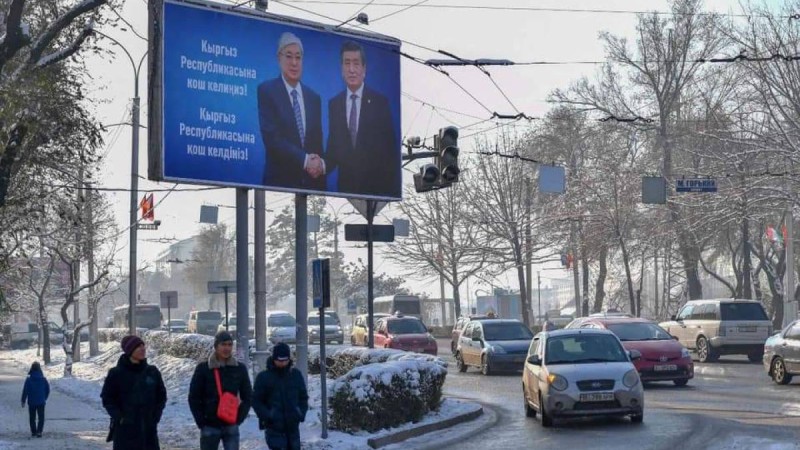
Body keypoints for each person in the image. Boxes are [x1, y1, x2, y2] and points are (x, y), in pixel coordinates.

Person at [322, 40, 400, 199]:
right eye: (347, 63)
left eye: (356, 63)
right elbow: (333, 150)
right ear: (341, 69)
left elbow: (390, 152)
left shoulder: (380, 102)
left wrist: (389, 192)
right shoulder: (334, 104)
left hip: (376, 189)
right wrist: (320, 165)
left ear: (364, 69)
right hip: (346, 190)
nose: (351, 69)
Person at [257, 32, 324, 191]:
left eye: (298, 57)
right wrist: (305, 160)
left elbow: (317, 143)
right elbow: (272, 139)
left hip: (310, 186)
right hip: (278, 186)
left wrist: (319, 164)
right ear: (279, 58)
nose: (294, 62)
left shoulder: (313, 98)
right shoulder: (267, 91)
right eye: (289, 56)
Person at [100, 335, 167, 450]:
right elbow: (107, 398)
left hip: (148, 431)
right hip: (125, 432)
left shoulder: (152, 372)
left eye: (143, 346)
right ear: (129, 350)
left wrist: (155, 416)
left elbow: (161, 396)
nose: (142, 349)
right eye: (138, 347)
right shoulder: (116, 373)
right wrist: (120, 417)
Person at [188, 331, 252, 450]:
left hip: (231, 424)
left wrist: (239, 418)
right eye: (223, 344)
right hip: (209, 425)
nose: (226, 348)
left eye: (229, 345)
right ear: (216, 346)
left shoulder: (239, 368)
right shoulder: (204, 369)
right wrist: (201, 421)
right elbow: (194, 397)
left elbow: (248, 396)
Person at [252, 342, 308, 450]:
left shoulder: (295, 375)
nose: (282, 363)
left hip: (293, 426)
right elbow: (256, 401)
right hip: (274, 427)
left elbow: (303, 397)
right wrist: (268, 415)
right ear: (274, 359)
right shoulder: (264, 377)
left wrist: (300, 413)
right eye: (279, 360)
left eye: (285, 360)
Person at [20, 361, 49, 438]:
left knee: (32, 418)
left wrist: (23, 400)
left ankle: (33, 432)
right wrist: (44, 398)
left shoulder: (29, 379)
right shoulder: (43, 379)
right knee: (41, 417)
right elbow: (47, 390)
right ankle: (39, 431)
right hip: (41, 401)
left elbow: (25, 390)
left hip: (32, 402)